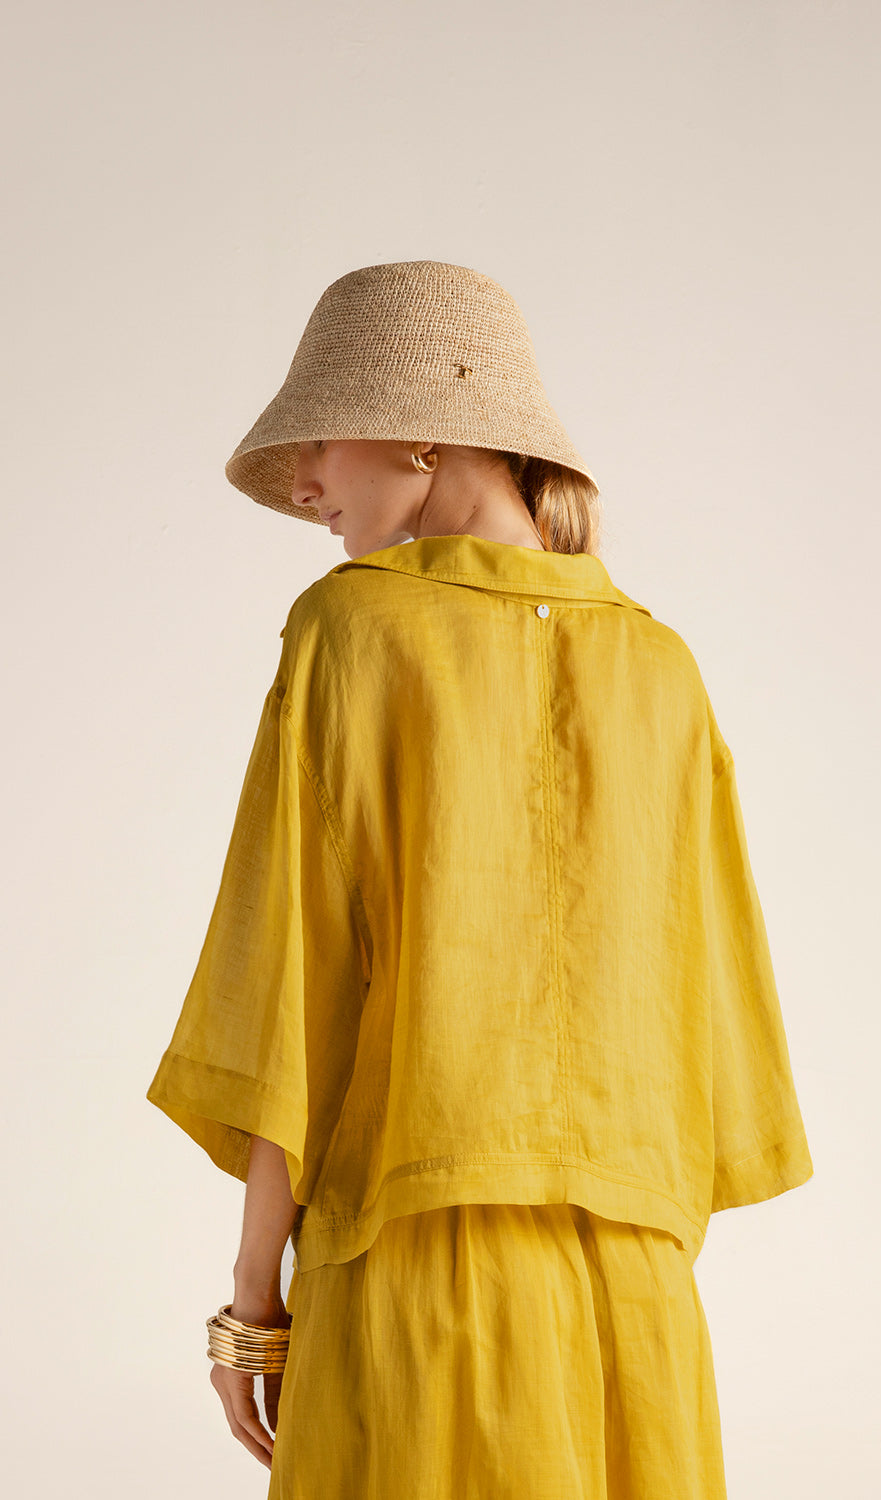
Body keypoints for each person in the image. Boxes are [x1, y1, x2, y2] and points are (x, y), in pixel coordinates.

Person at [146, 259, 814, 1499]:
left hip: (413, 1269)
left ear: (418, 431)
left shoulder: (350, 629)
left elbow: (291, 979)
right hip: (635, 1304)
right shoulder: (663, 667)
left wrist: (251, 1306)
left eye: (320, 439)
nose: (305, 483)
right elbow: (706, 1009)